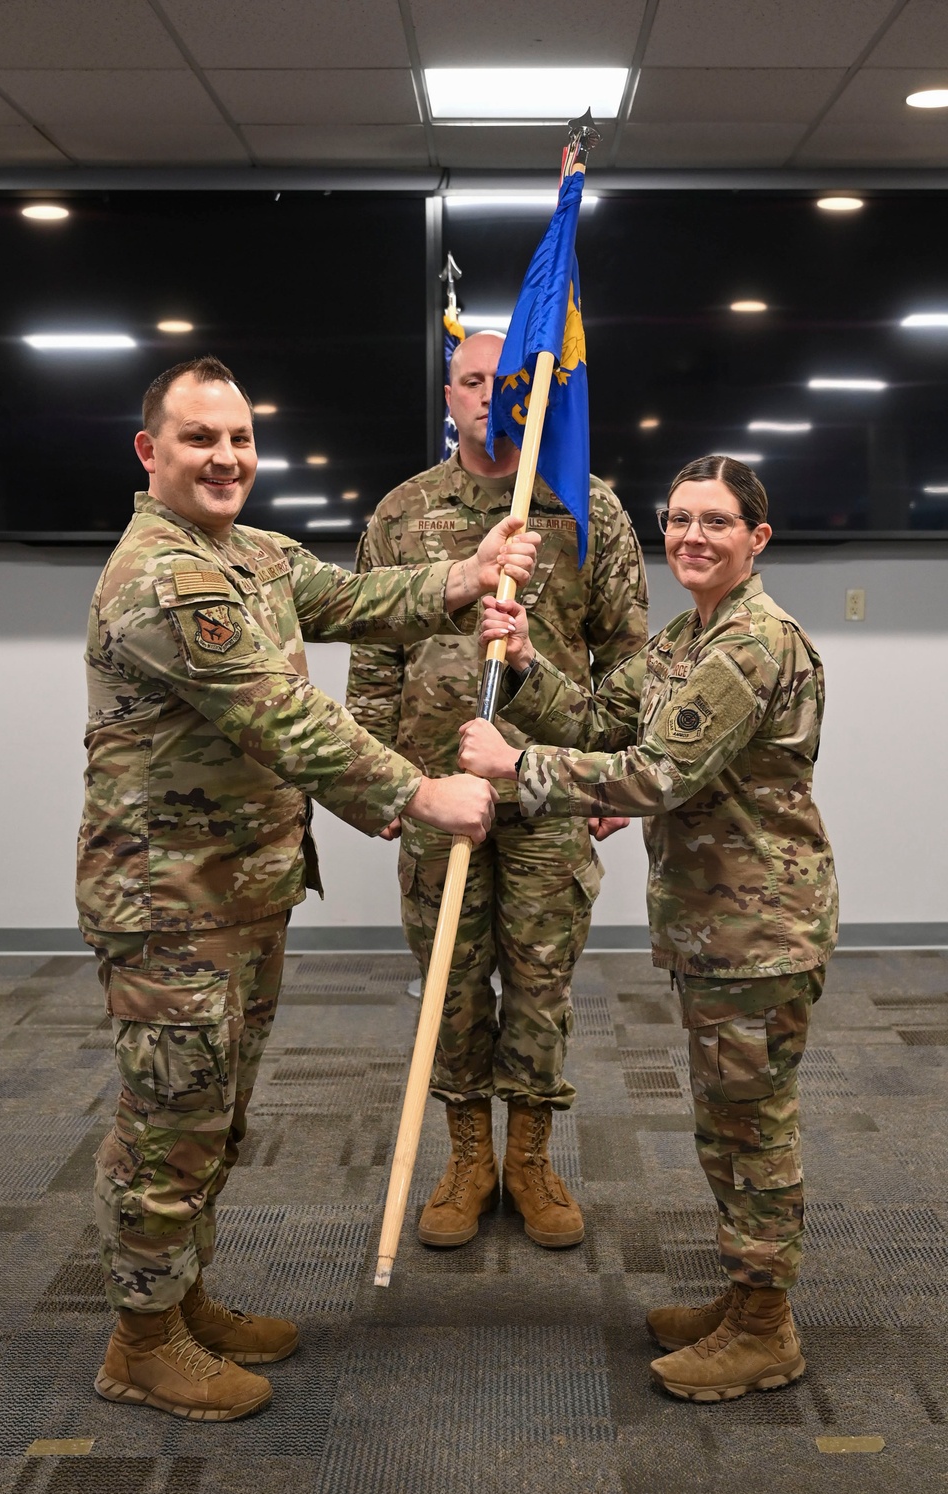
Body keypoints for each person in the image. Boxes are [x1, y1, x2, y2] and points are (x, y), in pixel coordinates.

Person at [77, 355, 541, 1422]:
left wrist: (463, 576)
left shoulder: (247, 552)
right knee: (170, 1122)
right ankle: (139, 1342)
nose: (226, 457)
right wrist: (420, 794)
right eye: (199, 439)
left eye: (239, 438)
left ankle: (179, 1299)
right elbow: (287, 721)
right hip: (169, 907)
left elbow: (354, 595)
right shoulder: (167, 577)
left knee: (218, 1116)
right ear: (151, 454)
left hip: (238, 892)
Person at [458, 455, 837, 1402]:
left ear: (758, 537)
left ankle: (765, 1328)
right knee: (725, 1122)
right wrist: (527, 666)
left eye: (715, 521)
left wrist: (516, 764)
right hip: (715, 922)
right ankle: (748, 1299)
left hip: (760, 927)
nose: (690, 536)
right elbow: (603, 716)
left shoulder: (751, 643)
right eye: (677, 519)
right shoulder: (688, 634)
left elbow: (658, 774)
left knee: (752, 1129)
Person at [346, 332, 648, 1252]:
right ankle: (467, 1155)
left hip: (550, 789)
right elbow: (371, 662)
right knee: (452, 990)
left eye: (506, 381)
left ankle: (531, 1155)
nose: (488, 395)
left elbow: (630, 658)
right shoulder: (403, 515)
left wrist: (622, 774)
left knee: (542, 984)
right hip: (439, 795)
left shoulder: (585, 507)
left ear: (533, 392)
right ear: (450, 392)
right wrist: (384, 785)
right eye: (473, 381)